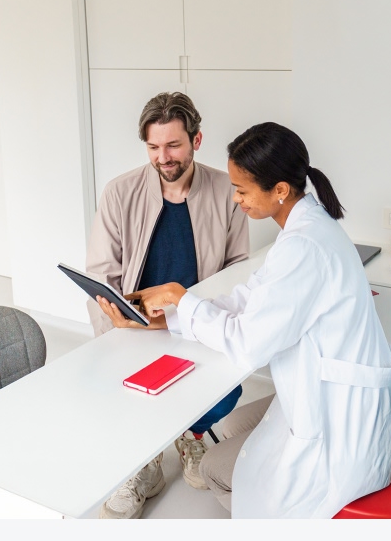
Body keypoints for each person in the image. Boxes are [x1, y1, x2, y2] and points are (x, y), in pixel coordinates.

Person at [99, 122, 391, 518]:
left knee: (216, 469)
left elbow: (249, 345)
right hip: (341, 396)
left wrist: (181, 297)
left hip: (344, 425)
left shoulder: (303, 247)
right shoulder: (307, 226)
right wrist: (171, 318)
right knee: (232, 429)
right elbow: (249, 299)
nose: (236, 199)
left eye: (242, 190)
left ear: (279, 190)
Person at [86, 91, 250, 519]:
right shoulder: (120, 191)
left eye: (173, 145)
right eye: (153, 147)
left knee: (225, 390)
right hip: (136, 327)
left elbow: (237, 270)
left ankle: (191, 437)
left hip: (198, 323)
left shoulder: (227, 190)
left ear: (197, 140)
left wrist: (205, 320)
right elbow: (101, 273)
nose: (163, 157)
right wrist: (114, 332)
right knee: (126, 395)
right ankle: (144, 462)